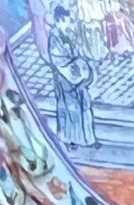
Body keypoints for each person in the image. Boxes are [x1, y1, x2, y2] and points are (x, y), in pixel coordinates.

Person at [45, 3, 95, 150]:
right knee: (69, 109)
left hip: (74, 73)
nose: (69, 23)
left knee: (83, 105)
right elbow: (58, 59)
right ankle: (69, 139)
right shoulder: (54, 37)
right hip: (64, 77)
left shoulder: (65, 35)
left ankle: (87, 139)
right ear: (59, 20)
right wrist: (74, 68)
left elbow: (75, 52)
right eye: (67, 20)